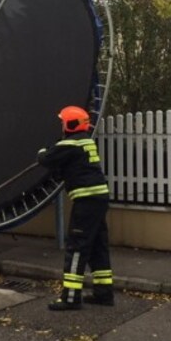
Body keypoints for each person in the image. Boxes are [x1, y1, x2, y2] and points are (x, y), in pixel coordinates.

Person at [37, 105, 113, 311]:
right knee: (98, 245)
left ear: (70, 125)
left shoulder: (69, 143)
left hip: (86, 201)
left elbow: (45, 158)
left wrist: (43, 150)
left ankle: (70, 297)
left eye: (63, 122)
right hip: (99, 198)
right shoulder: (85, 141)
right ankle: (104, 293)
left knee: (77, 246)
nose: (61, 125)